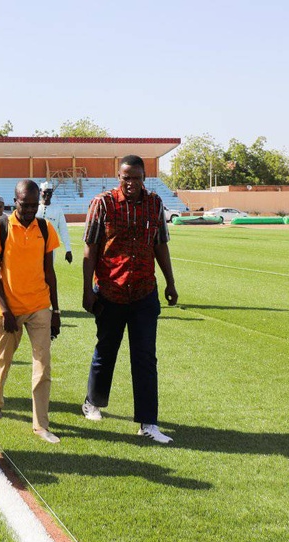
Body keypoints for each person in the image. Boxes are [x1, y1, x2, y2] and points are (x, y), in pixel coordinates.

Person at [81, 155, 178, 444]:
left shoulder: (154, 204)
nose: (131, 183)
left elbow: (160, 244)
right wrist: (87, 290)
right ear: (118, 177)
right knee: (105, 352)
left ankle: (148, 423)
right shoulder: (103, 203)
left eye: (136, 178)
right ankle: (93, 402)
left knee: (145, 358)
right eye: (126, 178)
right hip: (111, 291)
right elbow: (90, 250)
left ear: (144, 177)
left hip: (144, 292)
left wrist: (170, 282)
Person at [0, 180, 61, 443]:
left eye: (33, 205)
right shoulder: (0, 228)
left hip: (40, 307)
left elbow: (50, 272)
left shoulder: (45, 228)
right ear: (13, 202)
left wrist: (56, 310)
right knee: (3, 360)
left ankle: (40, 424)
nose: (29, 210)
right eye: (24, 205)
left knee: (43, 366)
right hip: (10, 309)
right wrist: (4, 309)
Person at [36, 182, 73, 264]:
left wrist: (68, 249)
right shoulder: (34, 208)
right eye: (45, 192)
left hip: (50, 247)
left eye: (50, 192)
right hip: (34, 246)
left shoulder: (57, 209)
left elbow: (63, 230)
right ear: (40, 191)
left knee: (48, 271)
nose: (47, 195)